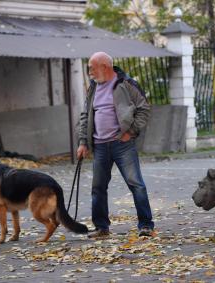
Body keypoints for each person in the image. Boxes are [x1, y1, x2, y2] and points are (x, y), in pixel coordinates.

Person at [76, 51, 155, 238]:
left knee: (136, 185)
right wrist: (82, 142)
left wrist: (131, 132)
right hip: (100, 146)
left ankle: (146, 225)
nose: (90, 72)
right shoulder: (93, 87)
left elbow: (144, 109)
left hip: (122, 144)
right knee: (98, 188)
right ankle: (101, 228)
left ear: (105, 66)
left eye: (92, 68)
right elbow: (85, 115)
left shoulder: (127, 84)